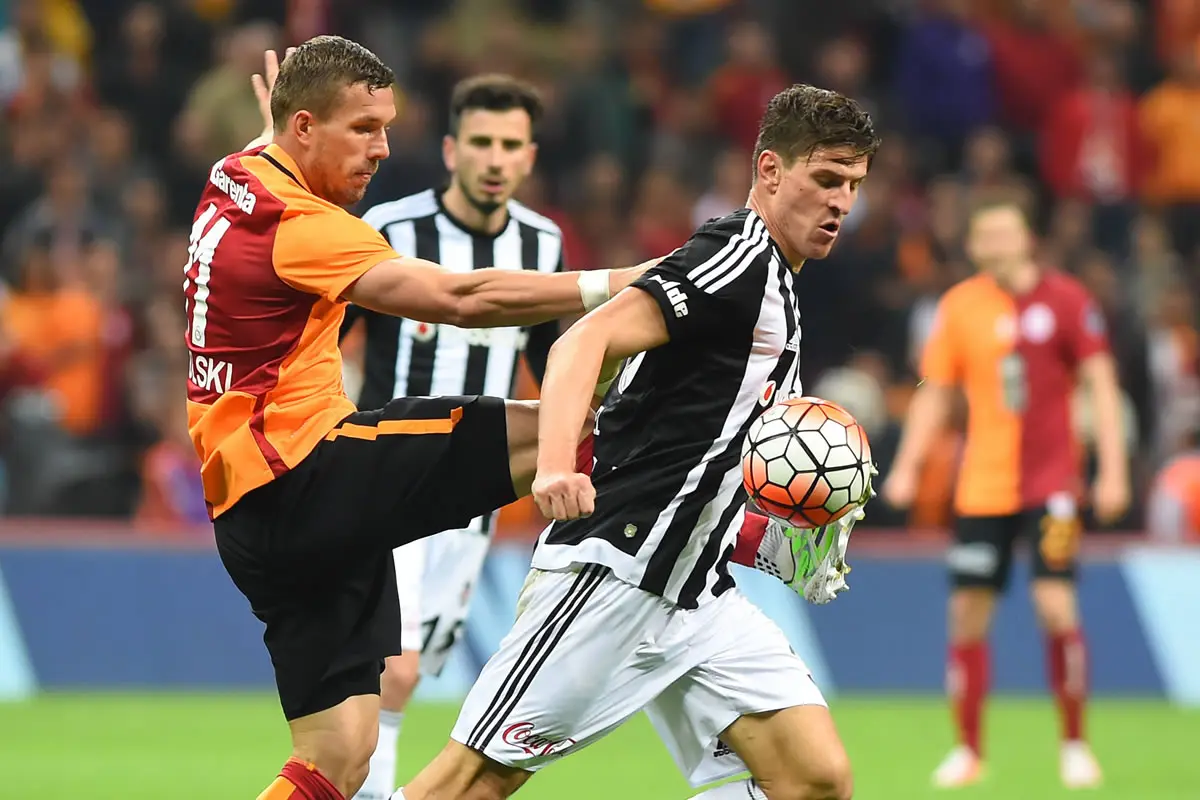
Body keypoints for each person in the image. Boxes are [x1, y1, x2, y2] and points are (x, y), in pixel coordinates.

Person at [184, 36, 651, 800]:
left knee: (340, 754)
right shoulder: (302, 226)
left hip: (249, 512)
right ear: (303, 128)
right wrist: (627, 280)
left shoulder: (232, 176)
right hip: (303, 472)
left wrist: (279, 124)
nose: (382, 147)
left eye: (387, 126)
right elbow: (460, 300)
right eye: (363, 129)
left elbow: (267, 140)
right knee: (549, 425)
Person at [396, 84, 879, 800]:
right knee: (468, 786)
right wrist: (556, 465)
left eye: (854, 185)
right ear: (771, 171)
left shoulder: (778, 288)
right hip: (613, 570)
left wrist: (759, 540)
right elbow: (581, 343)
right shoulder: (737, 260)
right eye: (826, 179)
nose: (841, 201)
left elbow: (697, 455)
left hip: (694, 591)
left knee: (814, 779)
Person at [341, 73, 566, 800]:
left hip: (472, 501)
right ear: (450, 149)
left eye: (509, 145)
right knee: (394, 664)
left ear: (529, 157)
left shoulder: (543, 243)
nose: (494, 158)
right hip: (390, 476)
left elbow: (551, 362)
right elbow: (329, 338)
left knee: (411, 671)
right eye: (480, 143)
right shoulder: (393, 231)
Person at [882, 197, 1130, 789]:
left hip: (1055, 488)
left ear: (1027, 238)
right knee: (966, 614)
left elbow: (1099, 381)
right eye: (984, 234)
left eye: (1005, 232)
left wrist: (1114, 469)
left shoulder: (1067, 300)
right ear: (972, 245)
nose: (994, 243)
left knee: (1055, 605)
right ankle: (968, 749)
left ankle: (1074, 743)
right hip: (982, 488)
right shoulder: (960, 307)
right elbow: (936, 391)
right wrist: (908, 466)